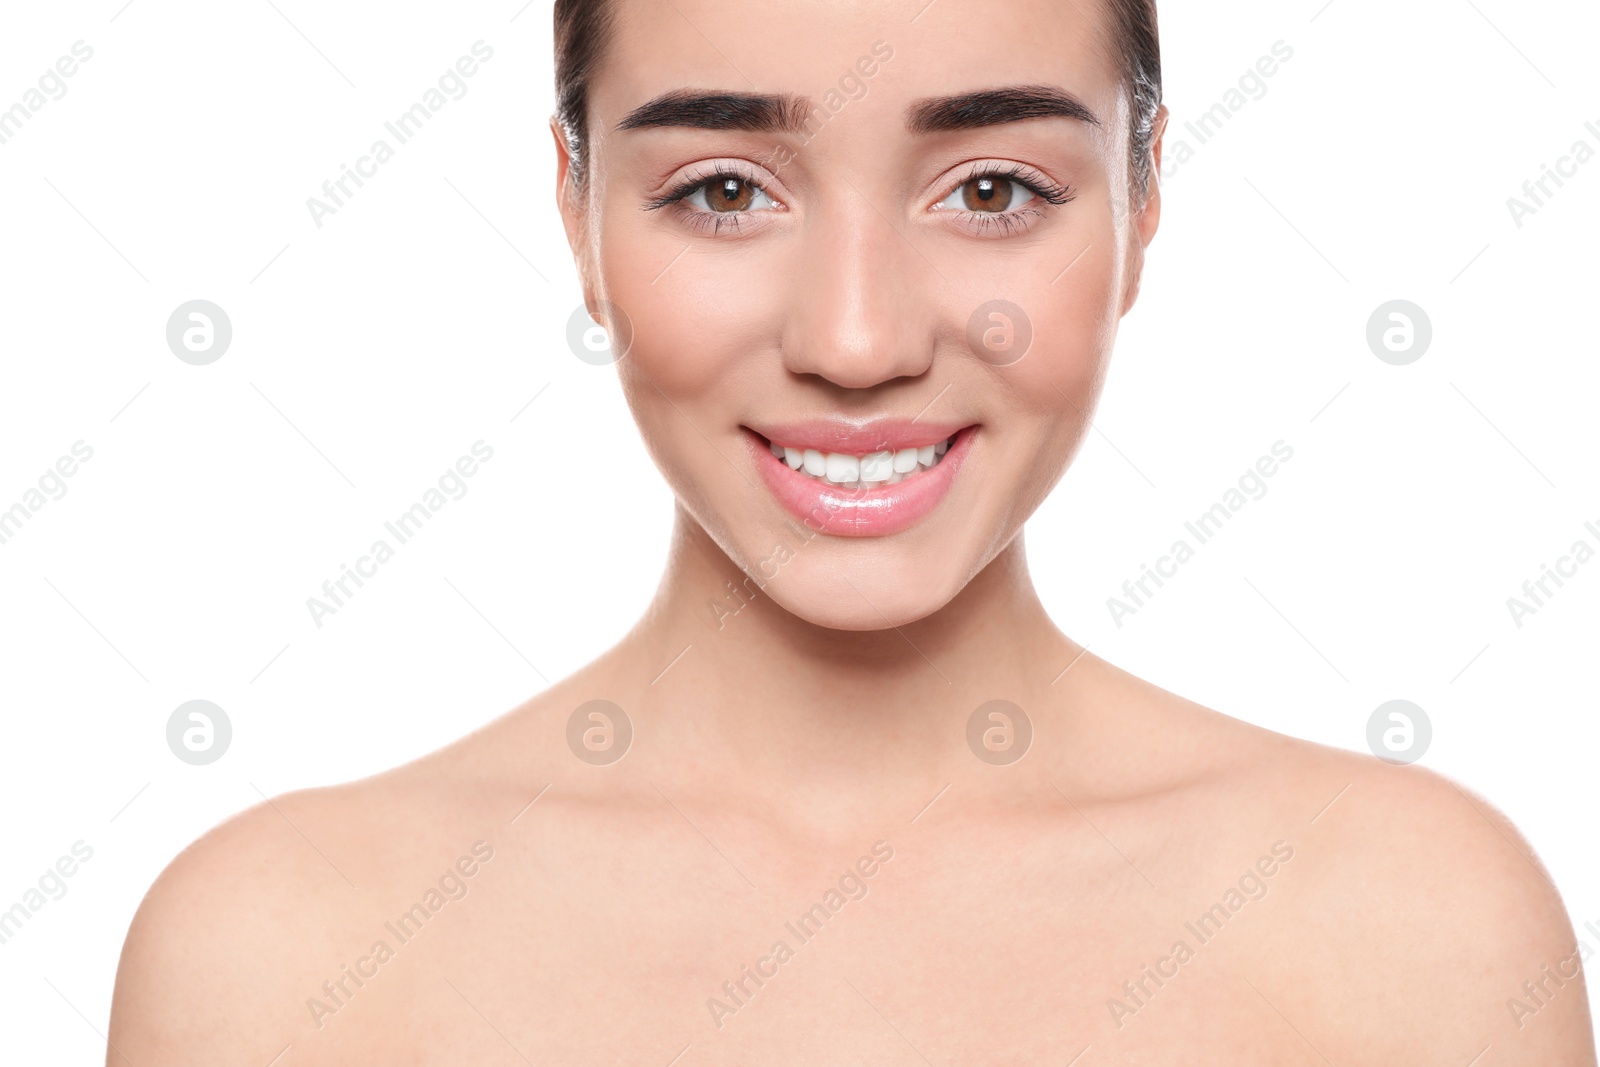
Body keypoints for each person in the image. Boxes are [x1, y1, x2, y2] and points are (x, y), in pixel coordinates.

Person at [107, 0, 1596, 1062]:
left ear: (1144, 200)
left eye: (995, 188)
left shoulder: (1413, 934)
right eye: (727, 190)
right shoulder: (277, 962)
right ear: (576, 212)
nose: (859, 336)